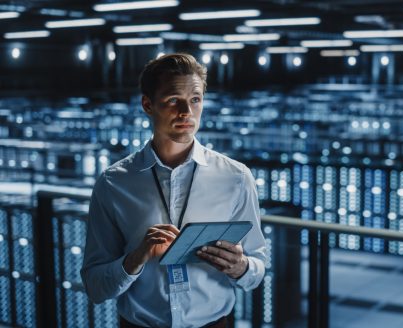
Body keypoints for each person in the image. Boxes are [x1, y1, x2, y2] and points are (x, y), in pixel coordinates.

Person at [81, 53, 266, 328]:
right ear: (148, 104)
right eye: (173, 100)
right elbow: (96, 287)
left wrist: (241, 267)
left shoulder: (236, 177)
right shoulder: (113, 184)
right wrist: (135, 259)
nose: (186, 112)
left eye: (195, 100)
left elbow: (257, 270)